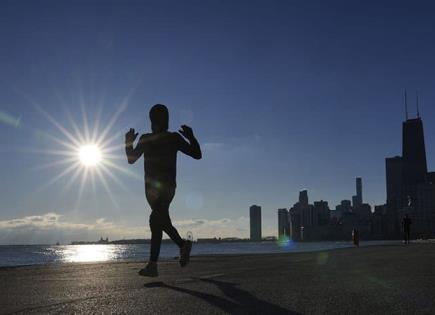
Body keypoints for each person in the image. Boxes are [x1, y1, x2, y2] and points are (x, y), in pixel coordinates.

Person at [125, 104, 202, 277]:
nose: (157, 121)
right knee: (157, 224)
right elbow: (131, 159)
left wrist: (191, 137)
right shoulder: (147, 138)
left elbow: (197, 154)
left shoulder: (173, 138)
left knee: (155, 219)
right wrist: (128, 143)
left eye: (159, 118)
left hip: (167, 188)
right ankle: (181, 247)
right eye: (155, 117)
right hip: (150, 191)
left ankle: (155, 263)